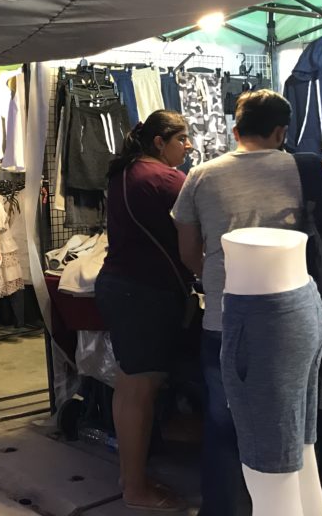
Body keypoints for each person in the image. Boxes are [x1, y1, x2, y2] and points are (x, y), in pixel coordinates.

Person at [172, 90, 322, 516]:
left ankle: (221, 509)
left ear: (235, 129)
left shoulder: (202, 175)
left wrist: (218, 278)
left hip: (226, 314)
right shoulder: (305, 168)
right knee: (296, 429)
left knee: (225, 425)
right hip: (297, 314)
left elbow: (187, 251)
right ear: (281, 131)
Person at [95, 110, 193, 512]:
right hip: (144, 292)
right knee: (140, 388)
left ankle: (129, 476)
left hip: (122, 286)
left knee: (130, 384)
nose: (187, 147)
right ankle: (135, 487)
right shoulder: (167, 179)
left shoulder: (126, 170)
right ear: (160, 141)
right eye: (182, 139)